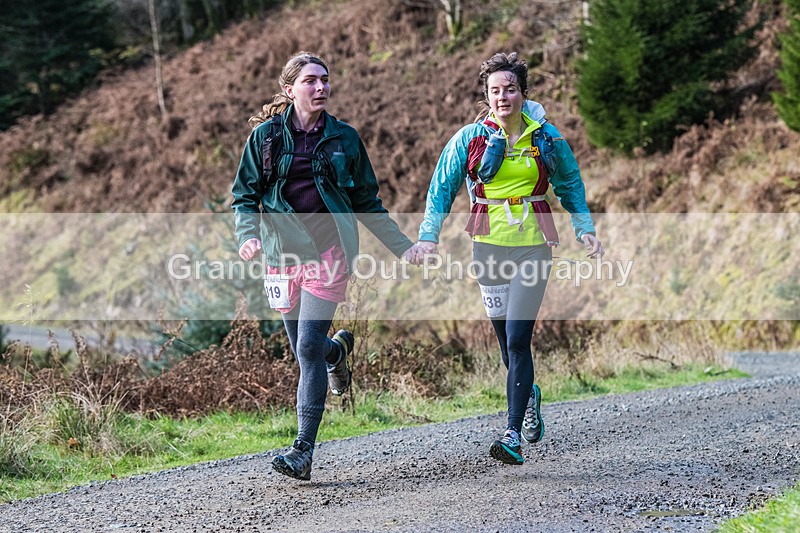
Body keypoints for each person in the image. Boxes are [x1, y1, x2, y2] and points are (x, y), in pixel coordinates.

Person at [408, 52, 604, 465]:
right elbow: (441, 189)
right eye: (495, 91)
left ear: (522, 93)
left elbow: (570, 183)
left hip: (534, 243)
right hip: (488, 245)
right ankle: (528, 392)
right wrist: (428, 237)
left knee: (517, 338)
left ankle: (511, 433)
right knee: (506, 346)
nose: (503, 97)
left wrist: (584, 228)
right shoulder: (469, 138)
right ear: (486, 95)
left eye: (510, 89)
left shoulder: (546, 137)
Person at [231, 51, 414, 480]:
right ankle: (338, 352)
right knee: (306, 351)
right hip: (280, 256)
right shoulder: (265, 138)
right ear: (289, 89)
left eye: (325, 80)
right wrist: (248, 235)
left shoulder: (345, 138)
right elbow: (244, 196)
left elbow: (367, 202)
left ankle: (303, 451)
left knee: (307, 346)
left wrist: (403, 247)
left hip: (330, 253)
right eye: (310, 81)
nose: (320, 88)